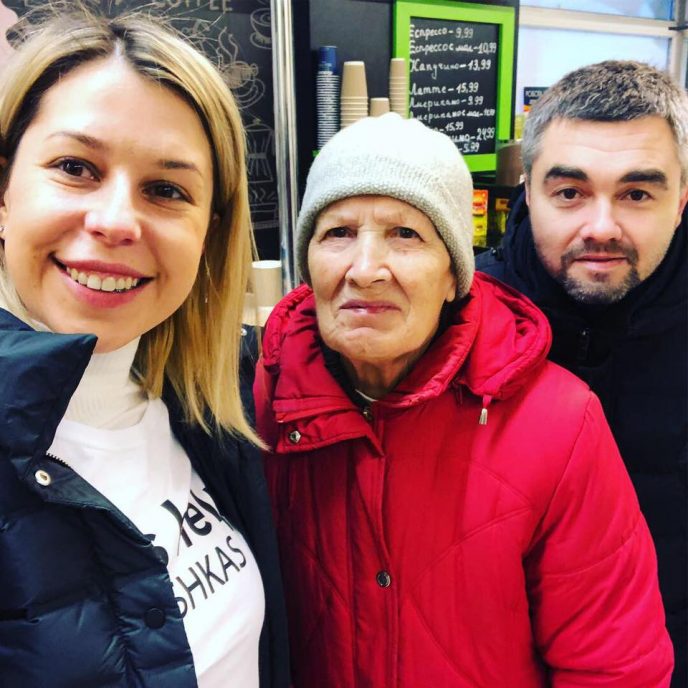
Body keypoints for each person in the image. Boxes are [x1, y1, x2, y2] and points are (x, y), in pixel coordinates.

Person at [254, 112, 672, 687]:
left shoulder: (558, 423)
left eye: (406, 234)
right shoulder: (253, 405)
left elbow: (613, 665)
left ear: (454, 274)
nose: (365, 269)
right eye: (338, 233)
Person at [0, 8, 288, 687]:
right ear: (4, 194)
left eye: (166, 189)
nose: (116, 221)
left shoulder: (212, 409)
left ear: (209, 233)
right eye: (75, 167)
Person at [476, 60, 687, 686]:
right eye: (570, 192)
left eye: (636, 194)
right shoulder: (462, 325)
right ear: (528, 193)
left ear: (681, 200)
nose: (601, 227)